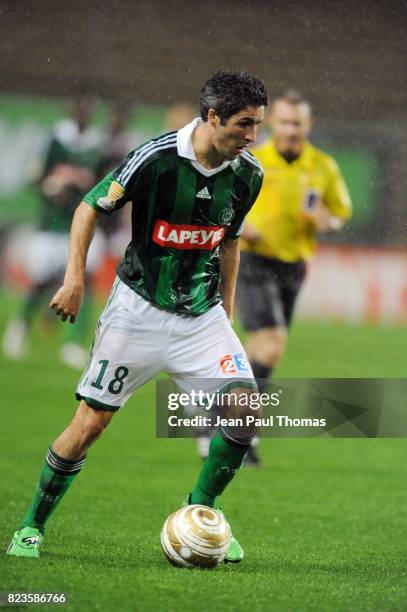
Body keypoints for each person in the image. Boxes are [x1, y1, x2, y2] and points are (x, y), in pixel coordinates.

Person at [7, 70, 268, 563]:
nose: (252, 136)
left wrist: (226, 312)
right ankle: (31, 527)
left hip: (201, 316)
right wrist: (75, 279)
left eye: (257, 125)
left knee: (244, 412)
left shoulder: (249, 174)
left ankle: (200, 513)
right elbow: (89, 207)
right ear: (213, 117)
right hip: (137, 313)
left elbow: (229, 243)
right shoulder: (156, 158)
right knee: (89, 424)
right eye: (244, 124)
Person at [236, 90, 352, 464]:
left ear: (308, 125)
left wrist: (327, 222)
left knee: (258, 348)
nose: (290, 130)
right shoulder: (254, 159)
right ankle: (242, 432)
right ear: (273, 123)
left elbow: (340, 213)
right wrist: (243, 224)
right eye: (284, 122)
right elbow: (227, 204)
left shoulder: (323, 166)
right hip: (254, 259)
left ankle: (225, 417)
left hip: (293, 265)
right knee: (271, 346)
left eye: (297, 123)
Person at [2, 96, 105, 369]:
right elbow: (35, 177)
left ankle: (73, 342)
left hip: (83, 225)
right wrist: (52, 185)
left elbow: (102, 181)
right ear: (72, 113)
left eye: (87, 111)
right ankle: (20, 326)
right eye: (80, 110)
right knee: (40, 281)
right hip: (52, 224)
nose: (83, 115)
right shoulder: (55, 141)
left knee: (87, 282)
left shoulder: (95, 147)